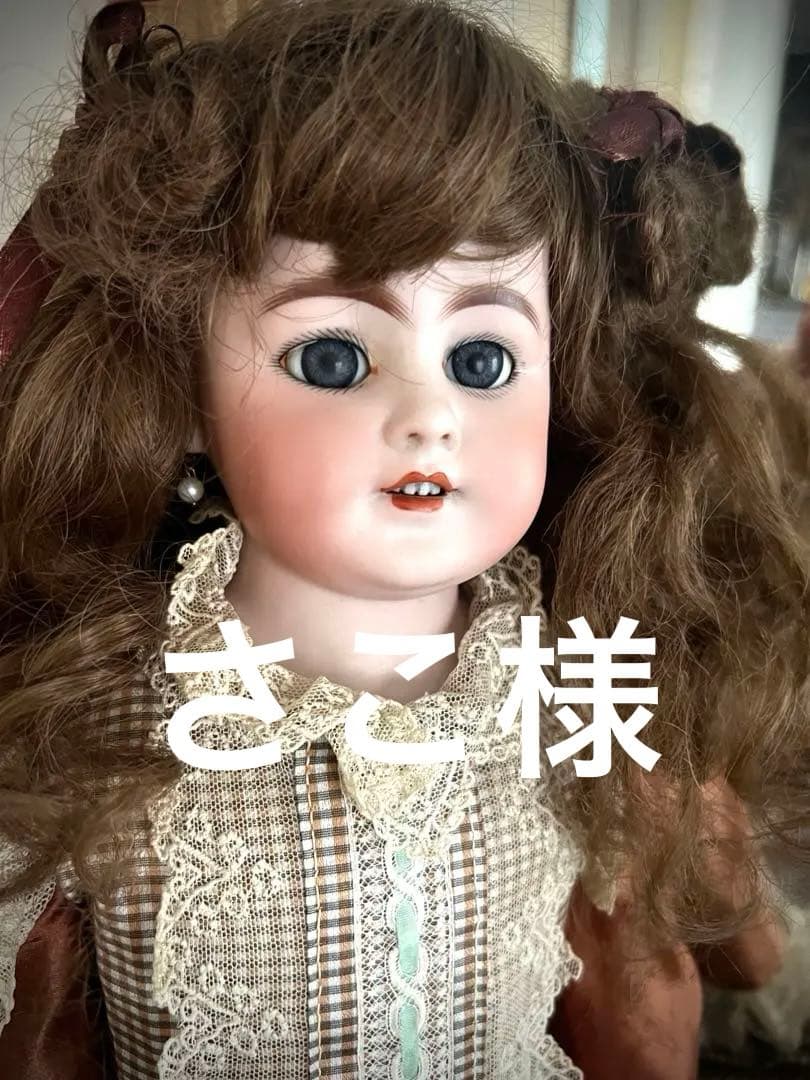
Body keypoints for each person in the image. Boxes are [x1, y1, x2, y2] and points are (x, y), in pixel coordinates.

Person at [0, 1, 806, 1076]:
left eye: (483, 361)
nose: (430, 417)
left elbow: (722, 943)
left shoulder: (576, 693)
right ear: (182, 384)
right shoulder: (96, 732)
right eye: (332, 359)